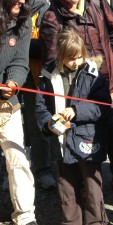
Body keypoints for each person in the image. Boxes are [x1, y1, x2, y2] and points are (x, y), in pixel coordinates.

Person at [39, 0, 113, 190]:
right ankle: (84, 178)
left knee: (110, 124)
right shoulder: (52, 16)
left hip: (106, 77)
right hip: (76, 87)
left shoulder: (98, 4)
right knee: (84, 128)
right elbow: (52, 60)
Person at [35, 27, 111, 225]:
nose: (75, 62)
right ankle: (71, 222)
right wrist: (47, 124)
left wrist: (77, 110)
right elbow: (41, 105)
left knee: (92, 187)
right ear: (60, 56)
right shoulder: (48, 74)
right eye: (70, 58)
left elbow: (102, 106)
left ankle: (96, 222)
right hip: (61, 140)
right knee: (66, 189)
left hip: (88, 140)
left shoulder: (93, 74)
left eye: (78, 57)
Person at [0, 0, 38, 224]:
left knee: (18, 158)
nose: (22, 1)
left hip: (6, 101)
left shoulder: (23, 20)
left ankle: (25, 216)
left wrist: (13, 81)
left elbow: (20, 62)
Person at [21, 0, 56, 190]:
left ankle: (43, 169)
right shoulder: (8, 7)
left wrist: (19, 46)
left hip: (35, 74)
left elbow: (47, 43)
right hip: (7, 73)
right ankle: (12, 170)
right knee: (11, 123)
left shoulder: (45, 8)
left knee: (36, 121)